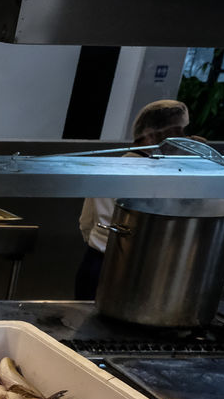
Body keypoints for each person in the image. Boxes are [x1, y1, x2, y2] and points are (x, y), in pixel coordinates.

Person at [74, 100, 191, 300]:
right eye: (177, 132)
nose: (182, 139)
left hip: (97, 263)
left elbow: (86, 222)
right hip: (132, 268)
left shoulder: (110, 168)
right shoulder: (160, 176)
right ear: (150, 135)